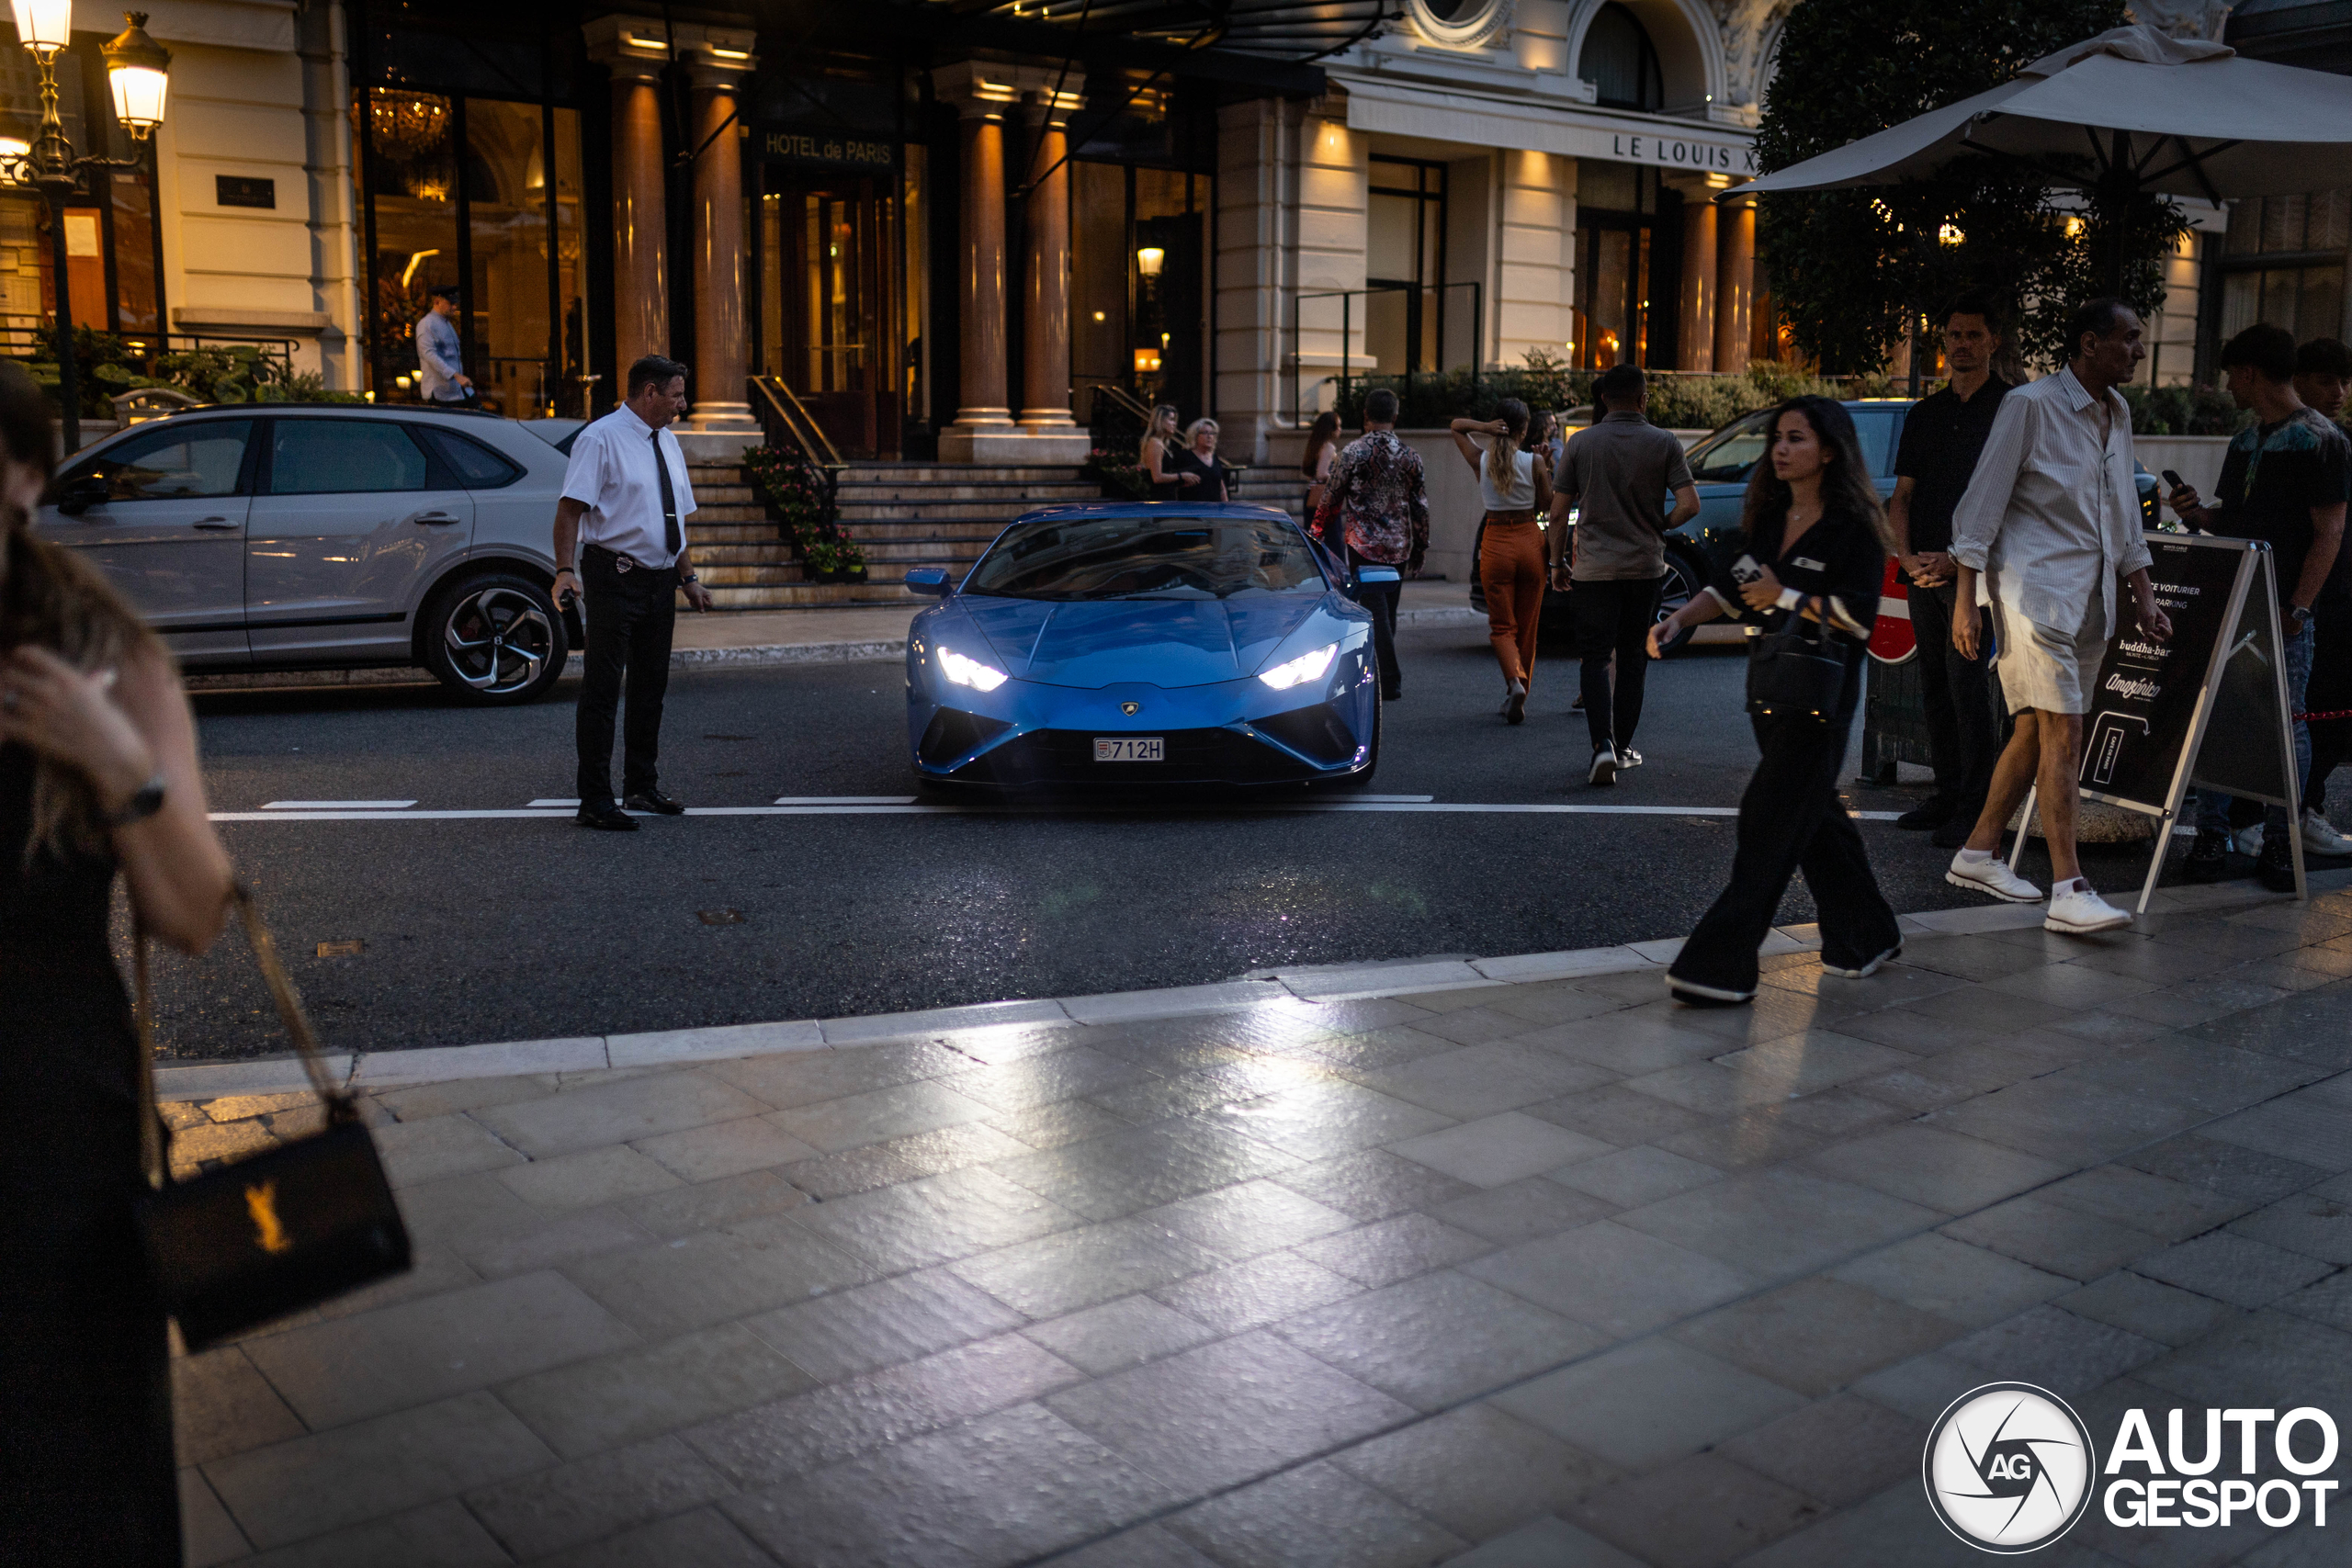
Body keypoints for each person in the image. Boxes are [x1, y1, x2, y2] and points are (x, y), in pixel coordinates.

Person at [0, 360, 234, 1565]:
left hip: (51, 1144)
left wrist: (113, 759)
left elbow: (194, 912)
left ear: (25, 476)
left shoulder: (109, 659)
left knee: (71, 1486)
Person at [1646, 397, 1904, 1004]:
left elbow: (1858, 619)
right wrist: (1680, 617)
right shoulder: (1770, 516)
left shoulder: (1855, 530)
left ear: (1830, 451)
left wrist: (1785, 595)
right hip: (1769, 690)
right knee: (1814, 821)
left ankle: (1718, 968)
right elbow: (1734, 591)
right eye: (1777, 439)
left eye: (1796, 439)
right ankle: (1866, 934)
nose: (1781, 450)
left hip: (1820, 697)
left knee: (1768, 822)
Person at [1947, 299, 2173, 932]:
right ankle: (2070, 887)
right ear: (2089, 342)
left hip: (2091, 597)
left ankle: (1977, 850)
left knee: (2034, 731)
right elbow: (1979, 507)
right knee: (2065, 732)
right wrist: (1966, 602)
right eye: (2129, 339)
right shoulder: (2030, 405)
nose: (2137, 351)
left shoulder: (2117, 411)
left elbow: (2124, 513)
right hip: (2032, 593)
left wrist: (2145, 596)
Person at [2167, 322, 2350, 890]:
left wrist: (2298, 607)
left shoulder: (2323, 441)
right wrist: (2199, 516)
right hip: (2238, 597)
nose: (2228, 386)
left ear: (2248, 372)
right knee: (2221, 715)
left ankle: (2280, 841)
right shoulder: (2247, 441)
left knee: (2287, 722)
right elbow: (2235, 520)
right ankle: (2213, 837)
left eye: (2230, 375)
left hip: (2283, 605)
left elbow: (2329, 533)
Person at [554, 355, 718, 831]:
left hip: (659, 581)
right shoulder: (600, 438)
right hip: (613, 576)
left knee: (651, 689)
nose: (682, 405)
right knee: (603, 692)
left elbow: (673, 520)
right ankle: (595, 799)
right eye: (677, 395)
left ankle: (641, 785)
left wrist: (687, 579)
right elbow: (569, 511)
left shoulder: (667, 441)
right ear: (649, 392)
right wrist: (565, 569)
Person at [1889, 292, 2015, 849]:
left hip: (1979, 574)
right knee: (1933, 686)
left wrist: (1957, 558)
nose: (1962, 345)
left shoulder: (2012, 409)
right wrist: (1906, 555)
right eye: (1953, 336)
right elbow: (1902, 497)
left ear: (1993, 341)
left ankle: (1976, 806)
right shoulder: (1923, 414)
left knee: (1970, 691)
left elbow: (2013, 499)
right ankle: (1944, 792)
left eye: (1972, 335)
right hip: (1922, 572)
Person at [1551, 363, 1699, 785]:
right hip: (1644, 567)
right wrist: (1661, 523)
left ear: (1603, 399)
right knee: (1633, 657)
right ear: (1643, 397)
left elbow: (1559, 512)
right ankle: (1621, 747)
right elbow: (1690, 504)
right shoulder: (1664, 442)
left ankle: (1600, 745)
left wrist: (1556, 563)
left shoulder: (1581, 444)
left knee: (1596, 658)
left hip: (1593, 569)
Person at [1313, 386, 1429, 700]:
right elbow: (1420, 506)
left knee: (1377, 612)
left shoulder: (1352, 452)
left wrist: (1315, 533)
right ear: (1394, 416)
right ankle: (1384, 677)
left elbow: (1330, 499)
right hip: (1399, 546)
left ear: (1365, 416)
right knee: (1386, 611)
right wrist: (1421, 546)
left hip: (1364, 545)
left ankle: (1388, 679)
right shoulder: (1410, 456)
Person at [1450, 400, 1554, 722]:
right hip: (1529, 541)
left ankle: (1512, 682)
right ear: (1524, 431)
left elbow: (1456, 426)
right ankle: (1520, 687)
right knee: (1527, 626)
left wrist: (1483, 427)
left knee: (1502, 627)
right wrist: (1546, 467)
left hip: (1496, 543)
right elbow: (1549, 504)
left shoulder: (1481, 459)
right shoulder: (1534, 461)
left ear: (1498, 425)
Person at [2290, 337, 2352, 854]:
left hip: (2333, 596)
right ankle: (2295, 812)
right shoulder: (2299, 441)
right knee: (2305, 710)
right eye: (2327, 380)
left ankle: (2297, 811)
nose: (2338, 392)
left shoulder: (2337, 440)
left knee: (2327, 709)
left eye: (2344, 381)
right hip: (2308, 598)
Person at [415, 283, 473, 405]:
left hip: (454, 391)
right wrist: (455, 375)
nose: (454, 307)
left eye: (455, 303)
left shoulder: (447, 324)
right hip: (440, 393)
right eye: (450, 303)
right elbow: (429, 355)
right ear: (437, 302)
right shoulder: (427, 324)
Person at [1166, 418, 1230, 502]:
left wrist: (1225, 505)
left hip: (1214, 510)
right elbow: (1173, 485)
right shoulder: (1184, 456)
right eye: (1205, 433)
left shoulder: (1214, 457)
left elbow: (1221, 487)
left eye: (1212, 433)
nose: (1209, 436)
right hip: (1192, 509)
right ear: (1195, 435)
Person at [1301, 410, 1340, 520]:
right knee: (1331, 535)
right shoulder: (1328, 447)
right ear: (1330, 429)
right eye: (1338, 426)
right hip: (1323, 497)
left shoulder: (1315, 446)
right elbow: (1321, 474)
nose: (1340, 429)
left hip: (1311, 495)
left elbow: (1311, 474)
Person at [1141, 403, 1183, 500]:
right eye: (1171, 419)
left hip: (1167, 496)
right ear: (1160, 420)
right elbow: (1157, 477)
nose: (1174, 424)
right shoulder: (1155, 443)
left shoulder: (1161, 443)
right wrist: (1182, 476)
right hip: (1160, 498)